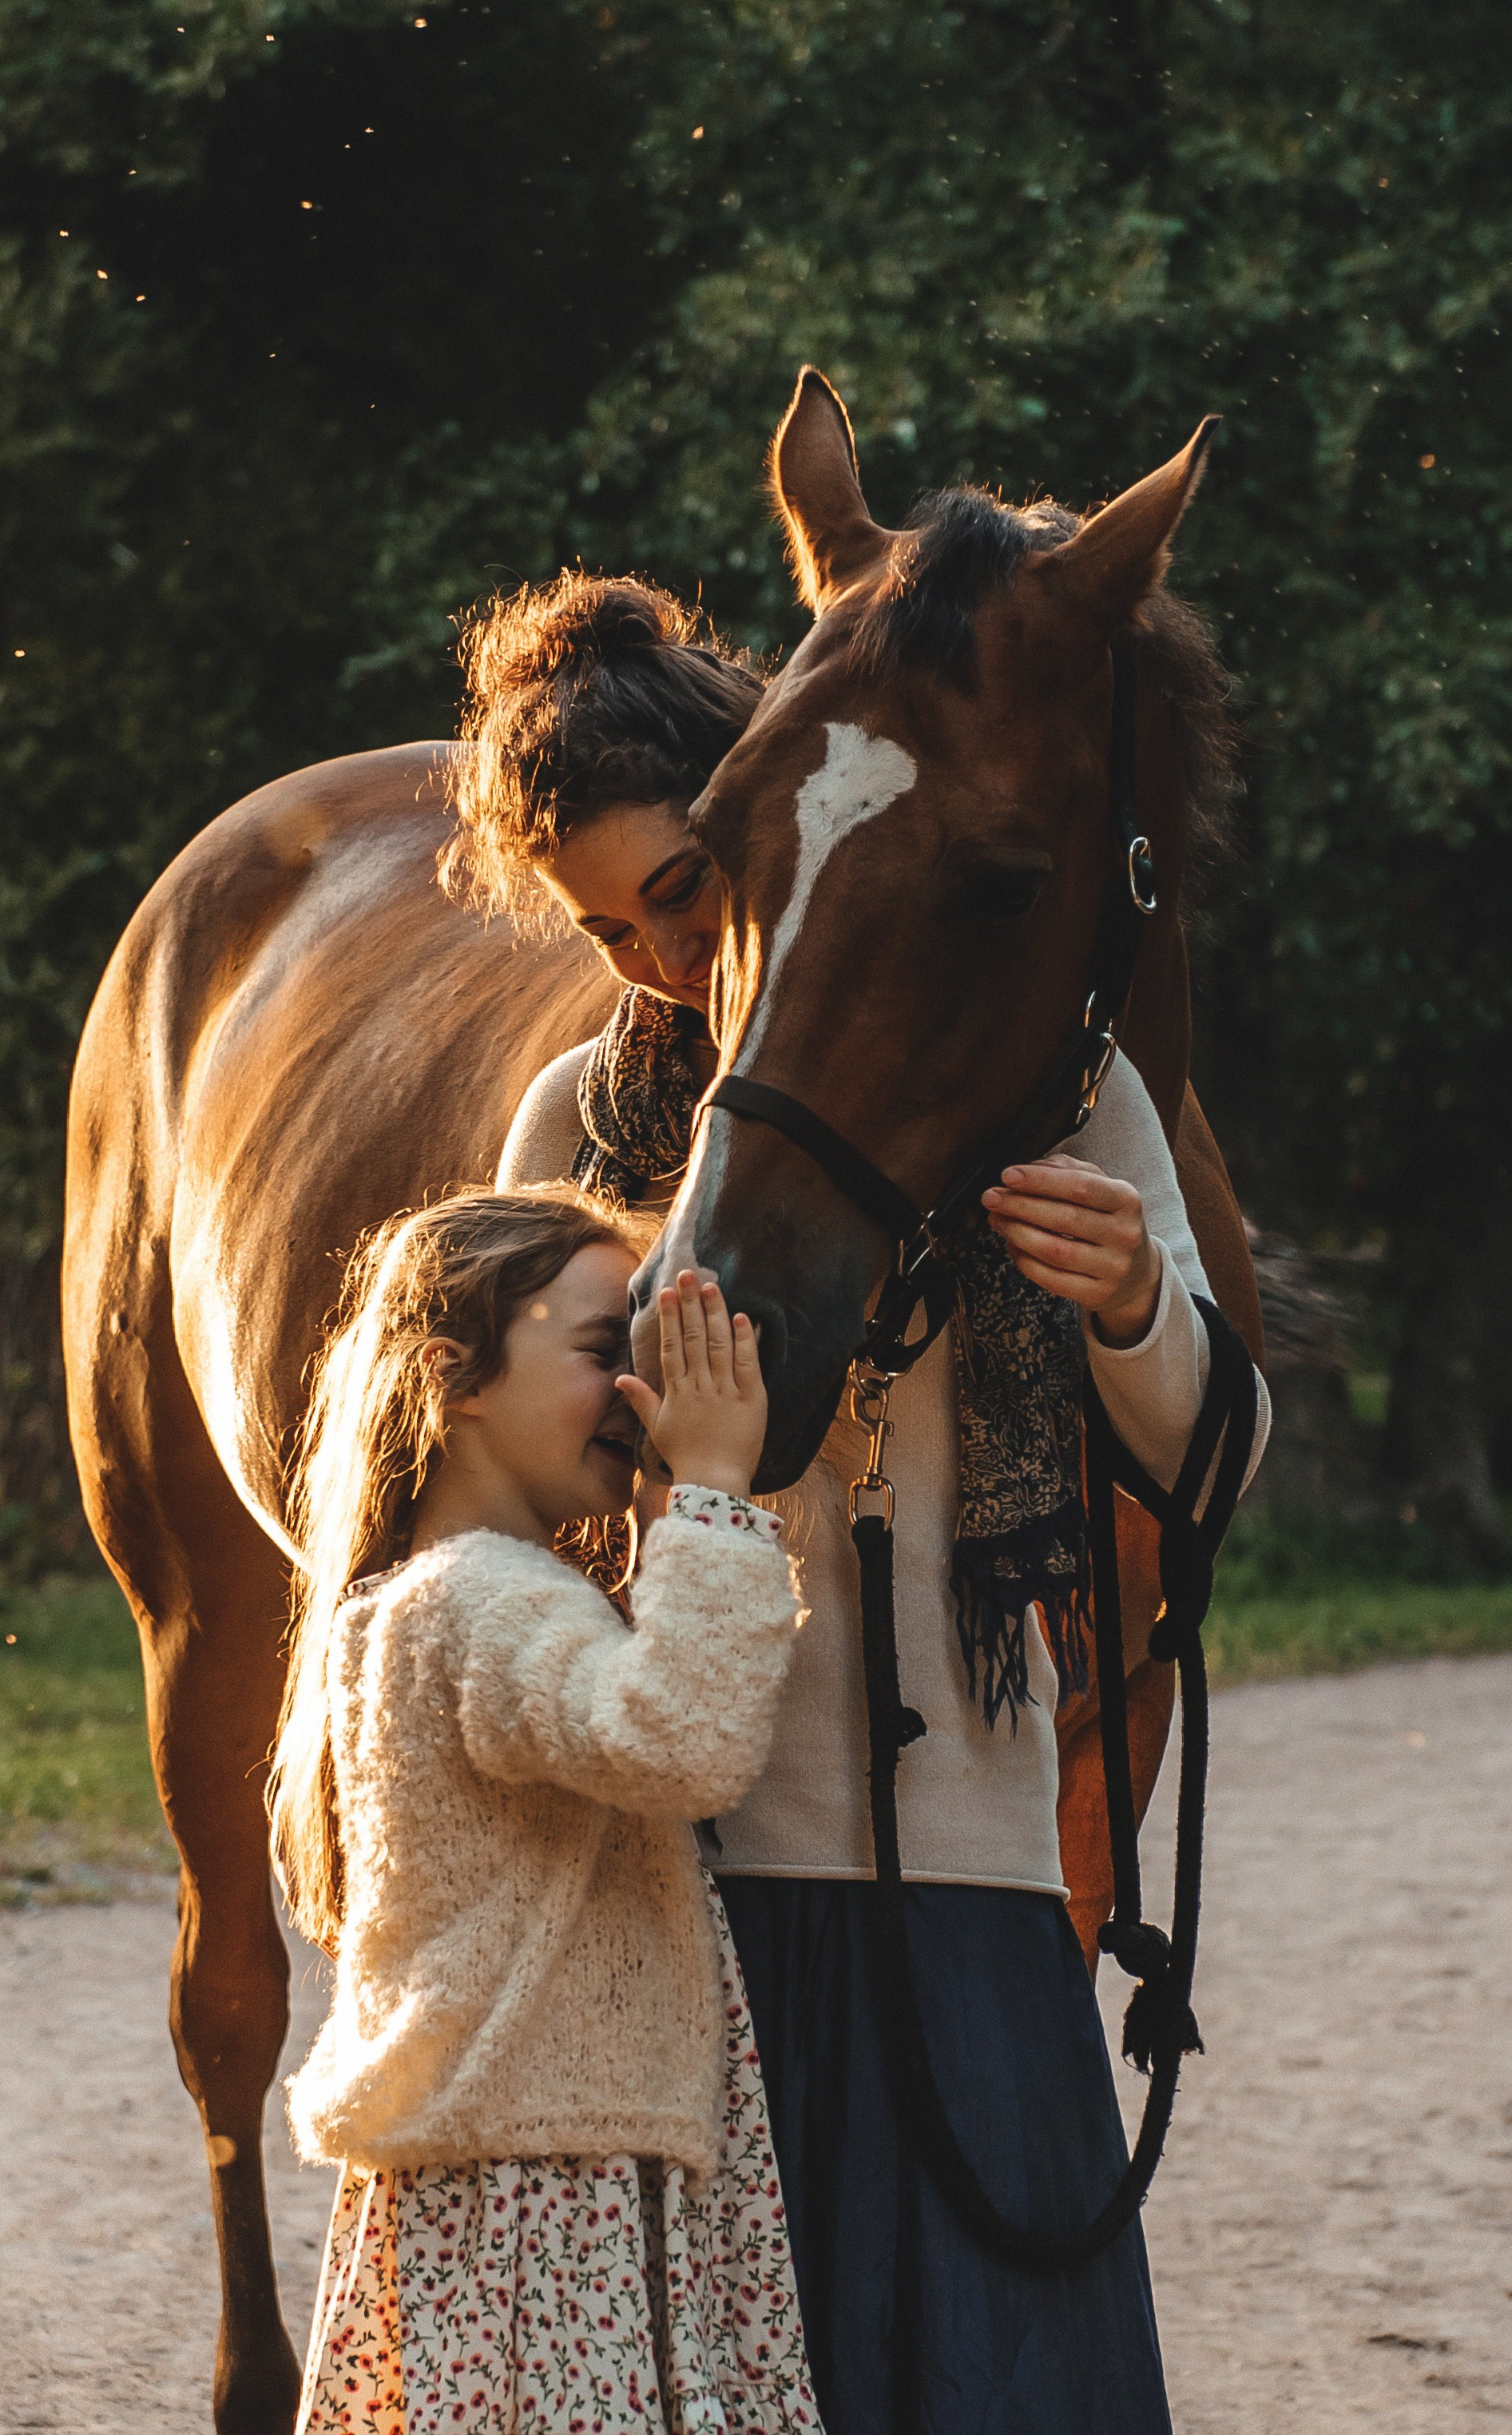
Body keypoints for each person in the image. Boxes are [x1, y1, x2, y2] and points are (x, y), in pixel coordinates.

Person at [448, 570, 1274, 2435]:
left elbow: (1215, 1474)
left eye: (680, 895)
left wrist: (1137, 1303)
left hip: (976, 1899)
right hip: (685, 1895)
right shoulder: (584, 1128)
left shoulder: (1059, 1101)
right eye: (606, 928)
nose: (658, 962)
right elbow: (499, 1517)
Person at [268, 1183, 820, 2433]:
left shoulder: (425, 1595)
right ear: (452, 1379)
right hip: (545, 2178)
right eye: (600, 1352)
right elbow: (680, 1738)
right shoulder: (482, 1600)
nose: (638, 1395)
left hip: (509, 2156)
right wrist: (720, 1481)